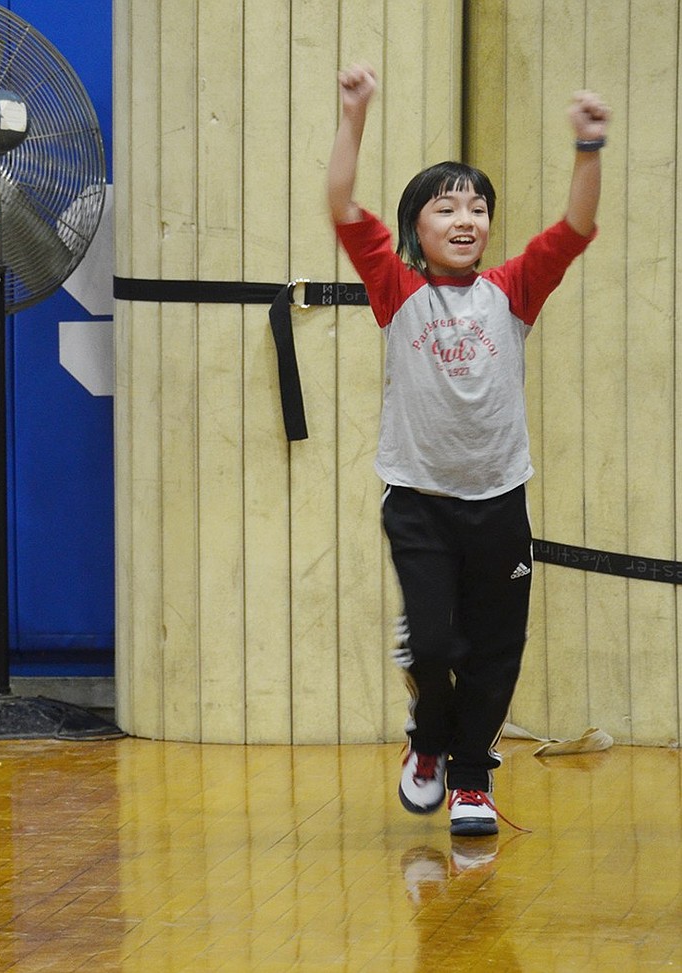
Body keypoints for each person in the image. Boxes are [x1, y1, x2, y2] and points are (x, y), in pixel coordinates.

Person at [327, 64, 610, 836]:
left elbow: (577, 228)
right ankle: (427, 744)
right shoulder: (396, 289)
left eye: (477, 207)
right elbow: (343, 205)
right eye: (445, 207)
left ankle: (472, 781)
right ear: (416, 227)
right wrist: (354, 115)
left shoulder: (514, 290)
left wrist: (589, 145)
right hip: (419, 501)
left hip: (499, 501)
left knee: (493, 650)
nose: (465, 218)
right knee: (434, 638)